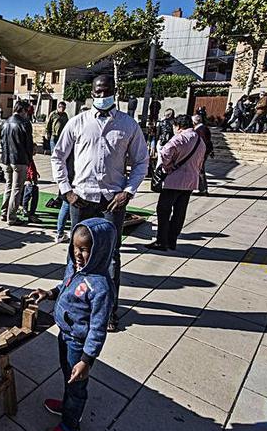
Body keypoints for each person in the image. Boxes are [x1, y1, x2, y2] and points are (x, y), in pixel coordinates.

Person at [51, 74, 148, 333]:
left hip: (111, 202)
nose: (101, 95)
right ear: (91, 93)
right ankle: (71, 302)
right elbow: (58, 156)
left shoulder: (128, 125)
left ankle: (109, 312)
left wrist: (128, 191)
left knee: (111, 257)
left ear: (114, 92)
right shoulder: (77, 122)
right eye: (97, 91)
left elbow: (141, 162)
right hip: (80, 200)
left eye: (106, 90)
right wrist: (66, 190)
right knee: (76, 254)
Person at [28, 218, 116, 431]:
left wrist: (86, 360)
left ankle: (70, 428)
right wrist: (49, 293)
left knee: (77, 386)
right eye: (75, 247)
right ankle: (68, 406)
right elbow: (65, 286)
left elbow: (97, 329)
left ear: (100, 250)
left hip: (79, 345)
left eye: (85, 249)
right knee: (68, 377)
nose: (78, 254)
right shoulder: (76, 268)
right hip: (65, 335)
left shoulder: (100, 287)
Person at [148, 115, 206, 251]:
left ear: (178, 126)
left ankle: (162, 241)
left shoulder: (180, 138)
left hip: (174, 180)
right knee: (180, 211)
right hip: (190, 181)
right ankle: (172, 240)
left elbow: (165, 152)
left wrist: (166, 165)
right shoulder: (199, 140)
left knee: (163, 210)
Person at [0, 100, 34, 226]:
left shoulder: (5, 122)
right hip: (19, 159)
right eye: (27, 111)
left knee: (8, 186)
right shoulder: (24, 123)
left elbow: (2, 142)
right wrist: (29, 159)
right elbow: (28, 144)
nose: (28, 114)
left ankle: (4, 212)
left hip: (6, 158)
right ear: (23, 110)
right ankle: (12, 217)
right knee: (17, 189)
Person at [192, 114, 214, 195]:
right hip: (205, 151)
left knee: (200, 170)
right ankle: (202, 188)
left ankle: (203, 189)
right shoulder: (204, 128)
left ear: (194, 122)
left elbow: (203, 142)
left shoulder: (199, 130)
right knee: (200, 169)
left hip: (202, 152)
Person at [21, 159, 41, 223]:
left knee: (26, 196)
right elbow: (31, 169)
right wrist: (33, 179)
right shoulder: (30, 159)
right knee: (35, 197)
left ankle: (25, 209)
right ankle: (32, 213)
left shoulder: (27, 157)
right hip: (31, 181)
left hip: (27, 181)